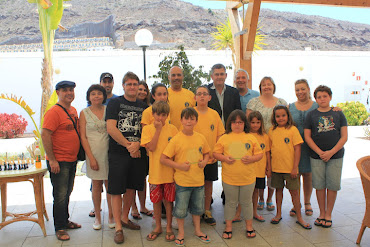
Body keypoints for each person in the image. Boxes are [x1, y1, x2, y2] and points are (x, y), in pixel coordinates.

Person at [106, 72, 148, 244]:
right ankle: (118, 227)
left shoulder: (144, 107)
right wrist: (129, 145)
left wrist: (137, 144)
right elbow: (111, 128)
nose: (132, 87)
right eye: (129, 84)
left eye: (135, 84)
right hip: (118, 153)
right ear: (123, 86)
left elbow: (146, 130)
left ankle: (125, 218)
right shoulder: (115, 103)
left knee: (132, 187)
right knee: (116, 190)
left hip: (138, 153)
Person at [160, 107, 211, 246]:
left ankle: (198, 230)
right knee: (180, 210)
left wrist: (205, 162)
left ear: (196, 121)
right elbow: (163, 158)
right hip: (182, 182)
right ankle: (181, 232)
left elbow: (207, 153)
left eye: (192, 119)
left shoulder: (201, 137)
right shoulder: (176, 139)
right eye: (186, 118)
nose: (189, 121)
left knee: (197, 209)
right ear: (181, 120)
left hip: (198, 181)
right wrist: (179, 166)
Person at [41, 80, 81, 241]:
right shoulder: (53, 112)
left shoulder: (73, 110)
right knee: (59, 195)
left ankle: (65, 220)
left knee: (67, 192)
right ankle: (60, 228)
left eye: (71, 90)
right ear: (58, 93)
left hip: (71, 160)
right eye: (65, 90)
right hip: (59, 161)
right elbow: (45, 134)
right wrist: (52, 160)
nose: (69, 93)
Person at [213, 110, 263, 239]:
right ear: (230, 123)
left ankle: (249, 226)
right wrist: (224, 158)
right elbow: (215, 153)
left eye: (240, 122)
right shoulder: (224, 137)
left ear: (244, 123)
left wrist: (251, 159)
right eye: (234, 122)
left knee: (247, 203)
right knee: (230, 202)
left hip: (248, 178)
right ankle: (228, 227)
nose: (237, 125)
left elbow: (260, 154)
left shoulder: (251, 137)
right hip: (230, 178)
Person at [304, 85, 348, 228]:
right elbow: (307, 137)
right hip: (317, 157)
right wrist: (319, 152)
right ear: (315, 99)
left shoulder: (338, 114)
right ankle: (322, 213)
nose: (322, 99)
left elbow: (344, 137)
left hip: (335, 156)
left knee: (333, 185)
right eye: (319, 97)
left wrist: (331, 152)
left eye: (325, 96)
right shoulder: (311, 115)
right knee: (319, 185)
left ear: (330, 97)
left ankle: (329, 214)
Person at [247, 76, 287, 211]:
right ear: (260, 88)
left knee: (272, 171)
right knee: (259, 170)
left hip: (276, 141)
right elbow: (249, 122)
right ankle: (261, 198)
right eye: (264, 85)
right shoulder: (253, 103)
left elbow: (287, 119)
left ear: (274, 86)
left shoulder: (281, 102)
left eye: (269, 84)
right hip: (258, 140)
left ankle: (270, 198)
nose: (266, 87)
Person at [268, 105, 311, 230]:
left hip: (290, 170)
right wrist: (269, 168)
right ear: (274, 117)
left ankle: (300, 217)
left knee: (295, 193)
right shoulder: (271, 131)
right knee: (278, 191)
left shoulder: (293, 130)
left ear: (288, 116)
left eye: (283, 115)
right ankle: (278, 214)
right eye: (278, 116)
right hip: (276, 169)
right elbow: (270, 151)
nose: (281, 118)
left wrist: (294, 168)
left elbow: (298, 150)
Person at [141, 101, 178, 241]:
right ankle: (158, 226)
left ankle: (168, 226)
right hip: (155, 173)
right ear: (153, 114)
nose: (160, 118)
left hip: (169, 173)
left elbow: (176, 151)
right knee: (156, 201)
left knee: (168, 202)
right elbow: (151, 147)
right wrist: (158, 130)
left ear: (167, 115)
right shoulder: (148, 129)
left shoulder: (173, 129)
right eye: (158, 114)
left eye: (163, 115)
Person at [80, 84, 114, 230]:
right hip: (93, 153)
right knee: (96, 186)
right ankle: (98, 219)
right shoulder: (84, 112)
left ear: (103, 96)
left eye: (99, 94)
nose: (96, 96)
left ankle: (112, 216)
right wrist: (91, 158)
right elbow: (83, 137)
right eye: (93, 94)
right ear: (89, 97)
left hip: (108, 153)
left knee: (110, 186)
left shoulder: (109, 110)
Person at [193, 85, 225, 225]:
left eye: (204, 94)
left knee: (208, 185)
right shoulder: (190, 113)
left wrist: (215, 152)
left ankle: (206, 211)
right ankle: (196, 211)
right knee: (195, 186)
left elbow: (220, 135)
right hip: (194, 159)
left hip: (210, 158)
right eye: (199, 94)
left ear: (209, 97)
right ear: (195, 97)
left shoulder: (214, 114)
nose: (202, 96)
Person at [88, 72, 118, 218]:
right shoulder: (90, 105)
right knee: (96, 183)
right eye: (104, 82)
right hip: (95, 150)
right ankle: (97, 209)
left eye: (109, 82)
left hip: (112, 148)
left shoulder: (117, 100)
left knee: (110, 183)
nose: (107, 84)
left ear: (113, 83)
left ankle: (113, 213)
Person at [232, 111, 270, 223]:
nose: (255, 125)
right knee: (243, 194)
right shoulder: (245, 136)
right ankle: (238, 214)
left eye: (258, 122)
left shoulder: (265, 137)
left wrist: (269, 167)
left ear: (261, 123)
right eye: (252, 122)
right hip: (247, 170)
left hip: (260, 170)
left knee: (255, 192)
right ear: (248, 123)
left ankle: (254, 213)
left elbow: (267, 153)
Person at [288, 79, 318, 217]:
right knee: (296, 174)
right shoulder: (290, 107)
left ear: (308, 89)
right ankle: (296, 204)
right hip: (295, 146)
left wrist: (336, 109)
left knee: (308, 174)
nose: (300, 92)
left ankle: (307, 202)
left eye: (302, 89)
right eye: (297, 90)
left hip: (312, 145)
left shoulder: (317, 105)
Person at [130, 80, 153, 220]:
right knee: (131, 180)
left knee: (142, 178)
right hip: (132, 146)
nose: (142, 92)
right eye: (140, 89)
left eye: (145, 90)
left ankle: (143, 206)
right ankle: (133, 208)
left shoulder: (149, 108)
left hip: (145, 147)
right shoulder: (129, 106)